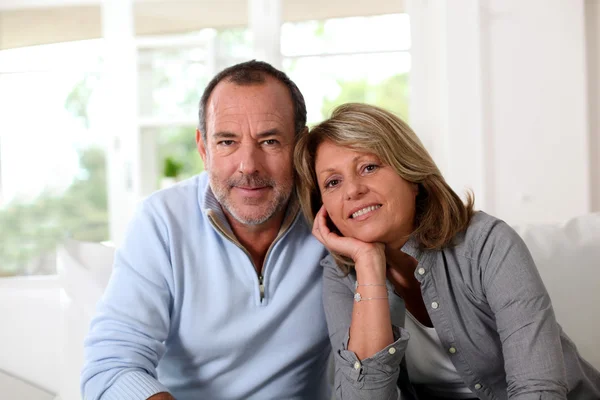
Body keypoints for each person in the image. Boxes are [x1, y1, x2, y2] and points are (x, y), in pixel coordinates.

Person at [294, 102, 600, 400]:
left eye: (369, 167)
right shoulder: (341, 276)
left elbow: (539, 389)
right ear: (324, 208)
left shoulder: (488, 243)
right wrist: (369, 266)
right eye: (333, 182)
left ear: (411, 176)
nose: (353, 190)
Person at [81, 60, 332, 400]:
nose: (248, 166)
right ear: (203, 148)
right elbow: (111, 367)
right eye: (227, 142)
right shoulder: (162, 221)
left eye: (270, 141)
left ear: (300, 145)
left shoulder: (334, 216)